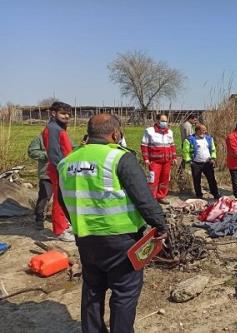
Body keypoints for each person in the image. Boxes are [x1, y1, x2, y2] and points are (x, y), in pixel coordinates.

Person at [58, 114, 168, 333]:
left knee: (92, 290)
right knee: (124, 293)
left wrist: (81, 224)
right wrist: (161, 225)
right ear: (115, 134)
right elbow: (143, 198)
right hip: (122, 242)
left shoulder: (67, 161)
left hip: (86, 239)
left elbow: (63, 199)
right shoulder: (119, 158)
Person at [41, 101, 74, 241]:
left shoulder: (58, 127)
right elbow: (54, 153)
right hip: (59, 169)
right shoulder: (53, 129)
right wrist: (63, 170)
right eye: (63, 113)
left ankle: (64, 224)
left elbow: (64, 148)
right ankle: (59, 231)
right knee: (60, 200)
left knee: (64, 198)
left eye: (68, 114)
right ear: (53, 113)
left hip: (63, 167)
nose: (66, 116)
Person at [140, 114, 177, 204]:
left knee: (164, 180)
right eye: (163, 121)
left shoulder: (169, 132)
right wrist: (146, 159)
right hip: (154, 161)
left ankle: (161, 196)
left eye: (166, 121)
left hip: (167, 161)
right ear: (157, 121)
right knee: (152, 180)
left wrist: (174, 157)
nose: (165, 123)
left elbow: (172, 145)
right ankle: (151, 198)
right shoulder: (149, 131)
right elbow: (144, 146)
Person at [183, 124, 220, 199]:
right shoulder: (189, 140)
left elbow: (213, 149)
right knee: (197, 180)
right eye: (203, 130)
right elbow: (185, 151)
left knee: (211, 179)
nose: (205, 131)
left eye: (205, 130)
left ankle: (215, 193)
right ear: (197, 131)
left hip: (207, 163)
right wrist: (189, 161)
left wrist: (213, 158)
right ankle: (199, 195)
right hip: (196, 163)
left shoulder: (209, 138)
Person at [27, 134, 51, 230]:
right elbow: (32, 152)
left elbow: (72, 147)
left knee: (62, 198)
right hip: (47, 173)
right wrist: (46, 154)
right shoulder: (40, 138)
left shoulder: (64, 136)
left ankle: (61, 220)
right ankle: (39, 219)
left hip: (62, 173)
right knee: (45, 196)